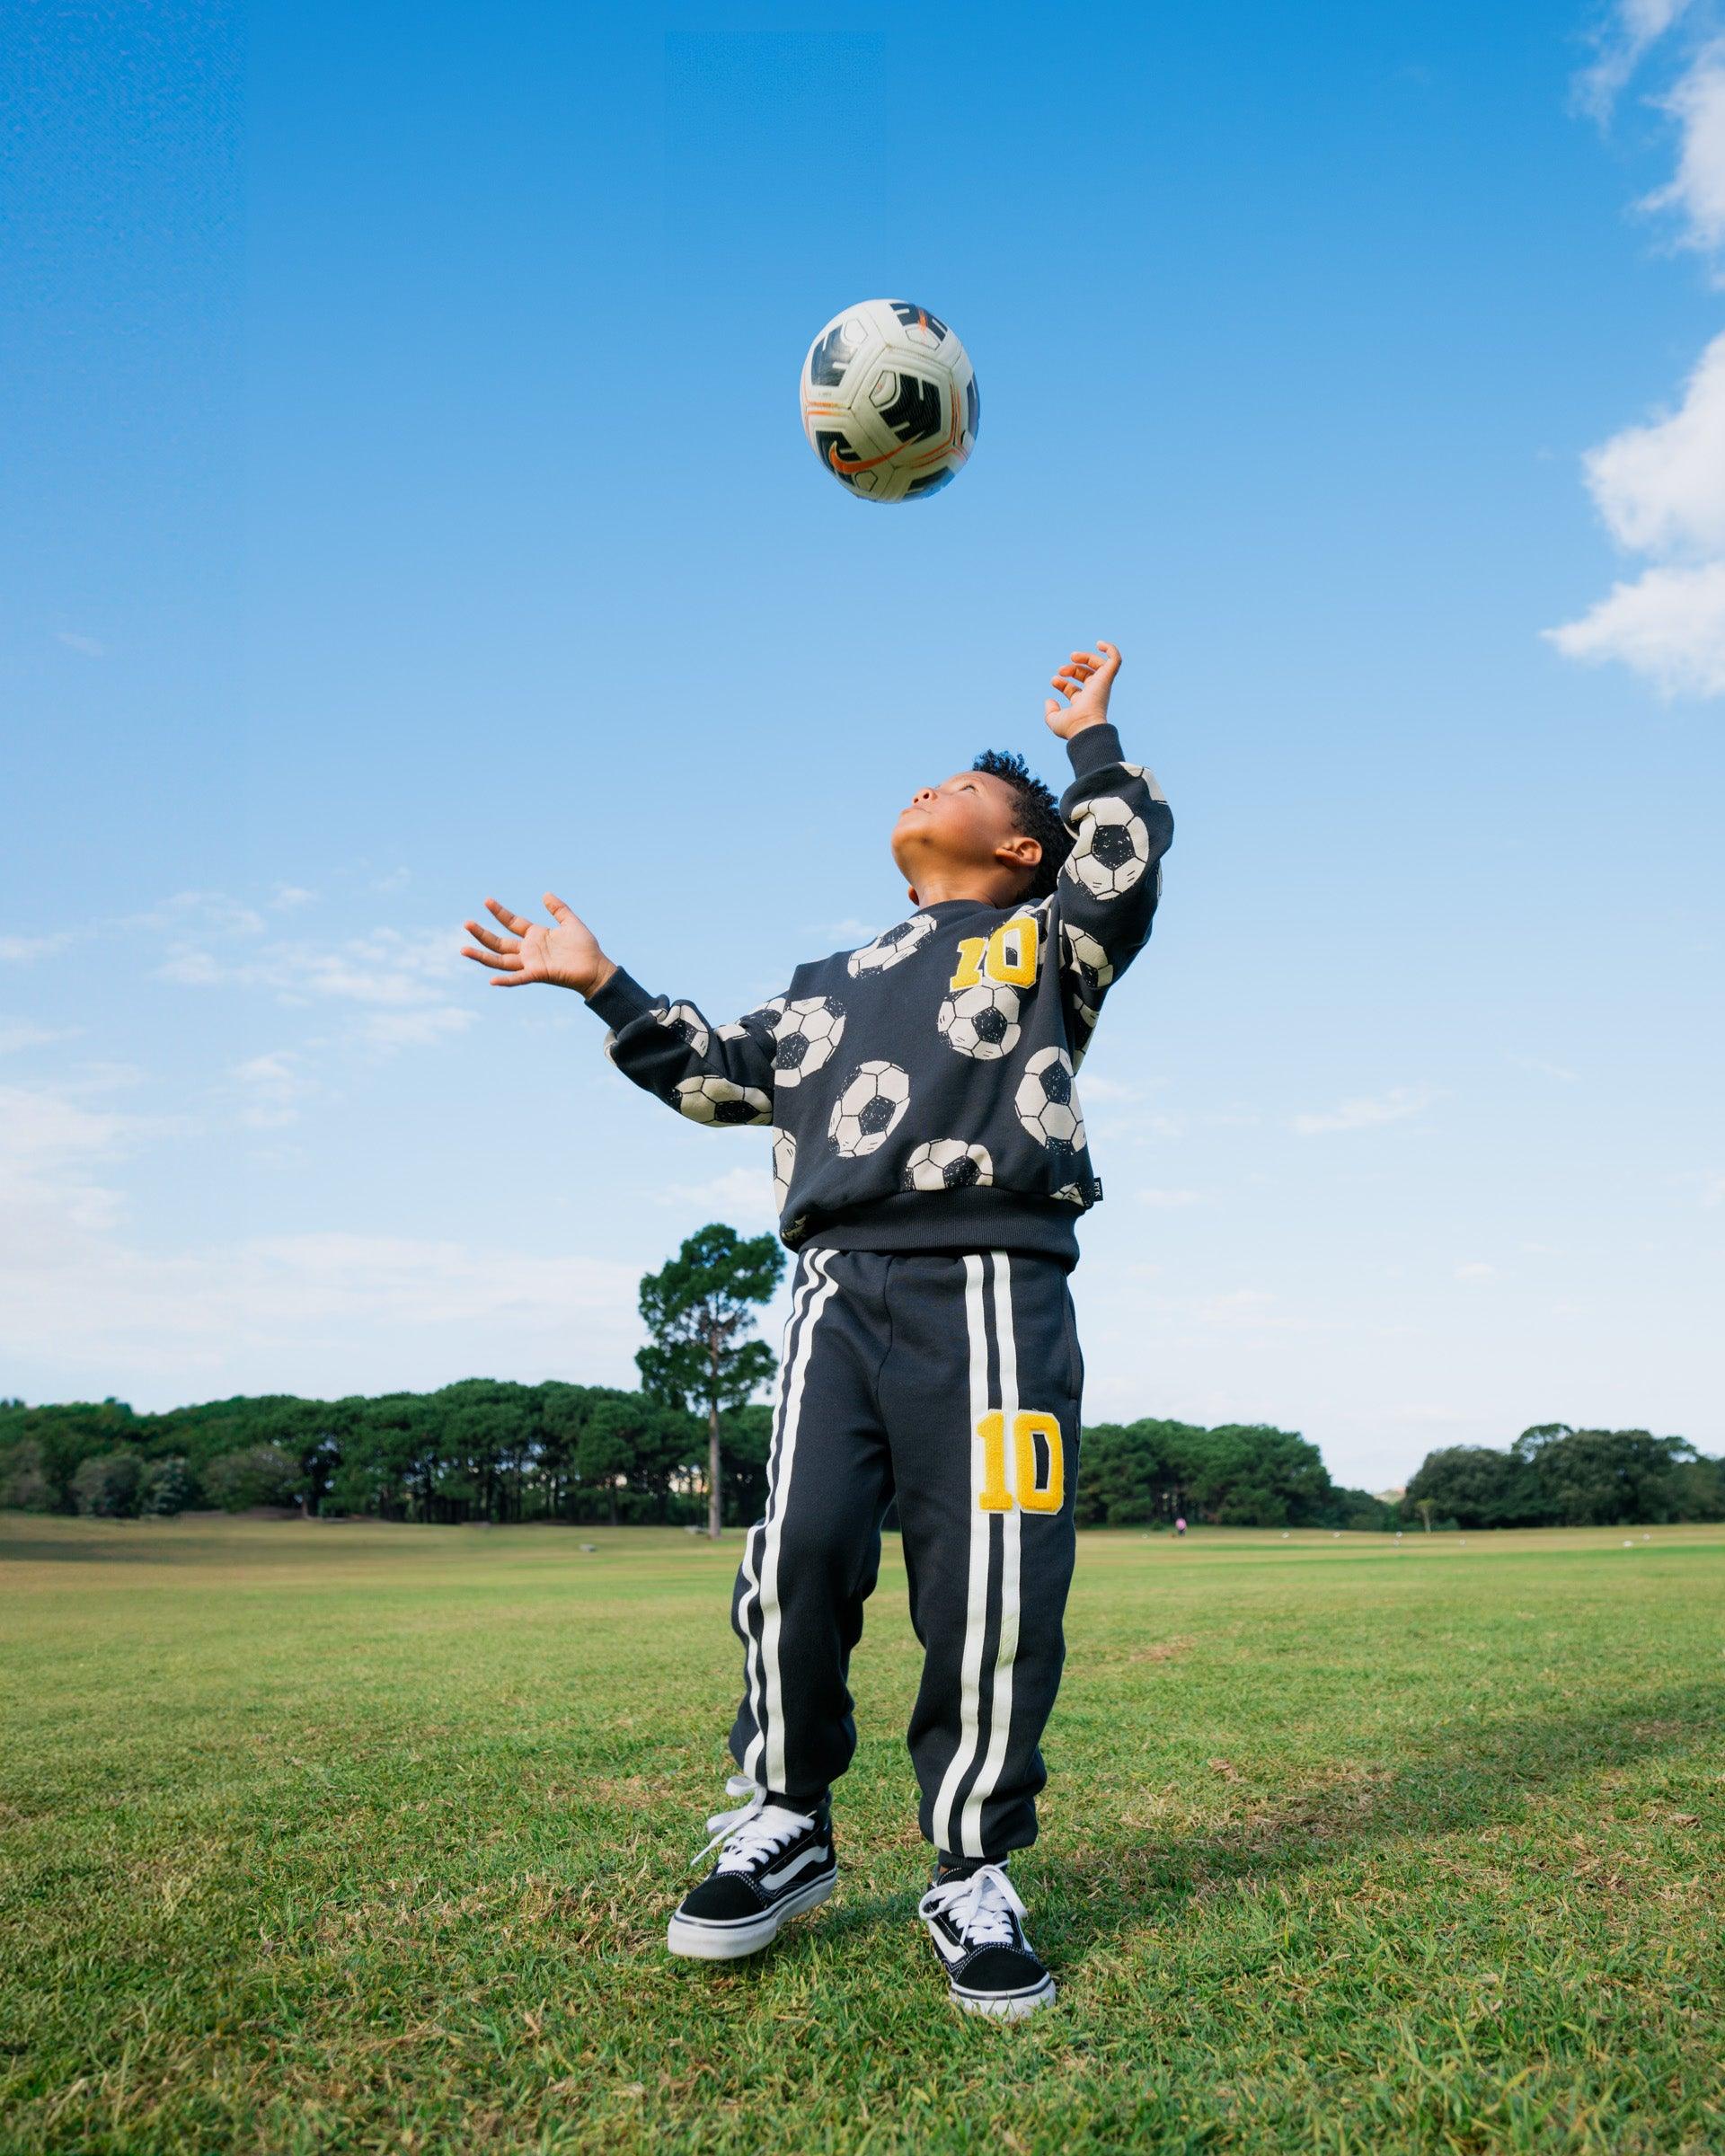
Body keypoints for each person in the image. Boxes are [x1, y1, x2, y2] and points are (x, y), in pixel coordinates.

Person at [462, 642, 1172, 2019]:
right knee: (797, 1556)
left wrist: (1091, 743)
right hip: (837, 1297)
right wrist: (603, 983)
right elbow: (718, 1080)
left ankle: (970, 1869)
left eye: (965, 782)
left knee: (992, 1585)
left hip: (993, 1296)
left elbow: (1126, 854)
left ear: (1025, 848)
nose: (932, 782)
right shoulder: (826, 982)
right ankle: (785, 1819)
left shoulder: (1051, 944)